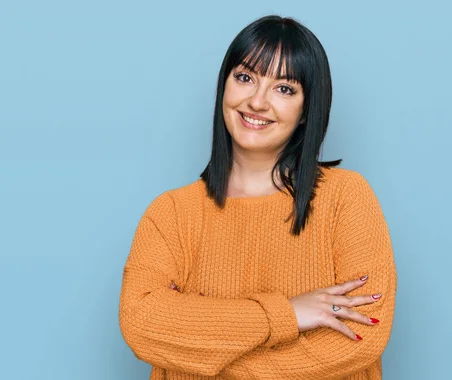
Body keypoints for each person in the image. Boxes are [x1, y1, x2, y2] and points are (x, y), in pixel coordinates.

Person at [119, 15, 397, 380]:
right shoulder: (171, 213)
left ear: (305, 110)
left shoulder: (345, 198)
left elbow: (361, 338)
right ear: (224, 87)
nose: (257, 101)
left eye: (284, 88)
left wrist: (200, 344)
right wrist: (288, 314)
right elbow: (141, 324)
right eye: (245, 78)